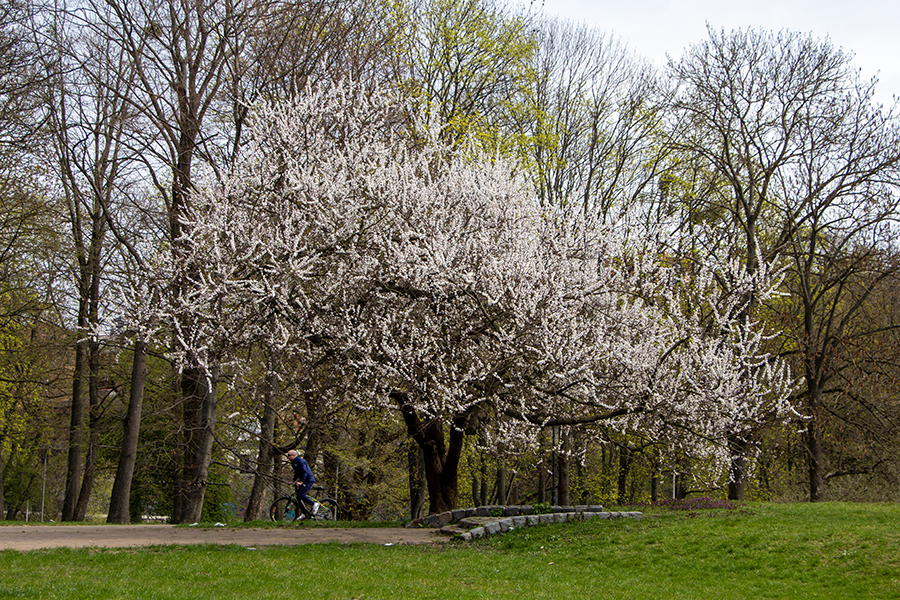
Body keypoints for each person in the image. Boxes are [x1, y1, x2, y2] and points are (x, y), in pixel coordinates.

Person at [286, 449, 320, 517]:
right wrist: (293, 481)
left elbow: (305, 472)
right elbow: (297, 473)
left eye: (289, 455)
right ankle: (305, 514)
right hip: (304, 480)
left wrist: (301, 481)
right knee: (298, 497)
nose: (287, 457)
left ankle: (314, 504)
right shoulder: (293, 463)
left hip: (308, 480)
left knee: (301, 494)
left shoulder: (301, 461)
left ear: (294, 455)